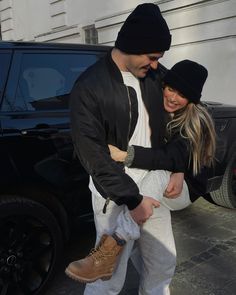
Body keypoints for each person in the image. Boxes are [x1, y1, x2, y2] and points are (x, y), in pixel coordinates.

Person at [66, 3, 183, 295]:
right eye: (152, 56)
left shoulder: (157, 77)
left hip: (155, 183)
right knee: (107, 278)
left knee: (162, 264)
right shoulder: (89, 87)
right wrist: (133, 200)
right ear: (133, 45)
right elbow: (93, 156)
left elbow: (185, 120)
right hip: (116, 193)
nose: (156, 64)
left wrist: (178, 169)